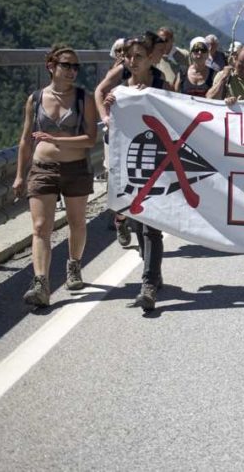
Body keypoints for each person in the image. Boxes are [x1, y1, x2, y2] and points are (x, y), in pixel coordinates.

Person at [14, 46, 98, 307]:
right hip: (43, 168)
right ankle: (41, 283)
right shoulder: (36, 99)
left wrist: (57, 137)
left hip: (75, 169)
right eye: (66, 65)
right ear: (51, 66)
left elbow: (91, 139)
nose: (72, 71)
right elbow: (26, 140)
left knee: (77, 223)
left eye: (76, 67)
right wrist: (19, 175)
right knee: (40, 228)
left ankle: (73, 264)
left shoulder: (85, 98)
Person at [97, 36, 168, 311]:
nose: (134, 61)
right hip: (130, 162)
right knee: (137, 220)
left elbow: (175, 112)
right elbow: (103, 101)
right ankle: (155, 272)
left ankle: (148, 283)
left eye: (139, 56)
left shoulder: (160, 84)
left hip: (157, 161)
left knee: (152, 225)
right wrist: (110, 108)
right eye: (130, 57)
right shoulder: (120, 87)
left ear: (149, 58)